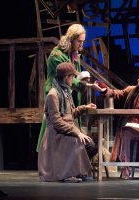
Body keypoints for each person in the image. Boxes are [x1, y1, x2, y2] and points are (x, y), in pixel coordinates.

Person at [38, 62, 97, 183]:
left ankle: (76, 171)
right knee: (77, 140)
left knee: (91, 144)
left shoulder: (65, 92)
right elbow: (57, 121)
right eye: (72, 76)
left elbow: (70, 113)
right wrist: (76, 132)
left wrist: (85, 107)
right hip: (57, 134)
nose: (73, 79)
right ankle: (68, 174)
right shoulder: (53, 95)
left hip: (66, 130)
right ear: (66, 77)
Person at [36, 23, 90, 152]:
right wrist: (86, 85)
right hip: (55, 93)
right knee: (52, 124)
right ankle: (45, 155)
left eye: (83, 41)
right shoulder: (57, 55)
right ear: (71, 39)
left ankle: (66, 160)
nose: (81, 45)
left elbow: (75, 76)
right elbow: (68, 76)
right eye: (79, 41)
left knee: (69, 123)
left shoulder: (74, 54)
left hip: (67, 93)